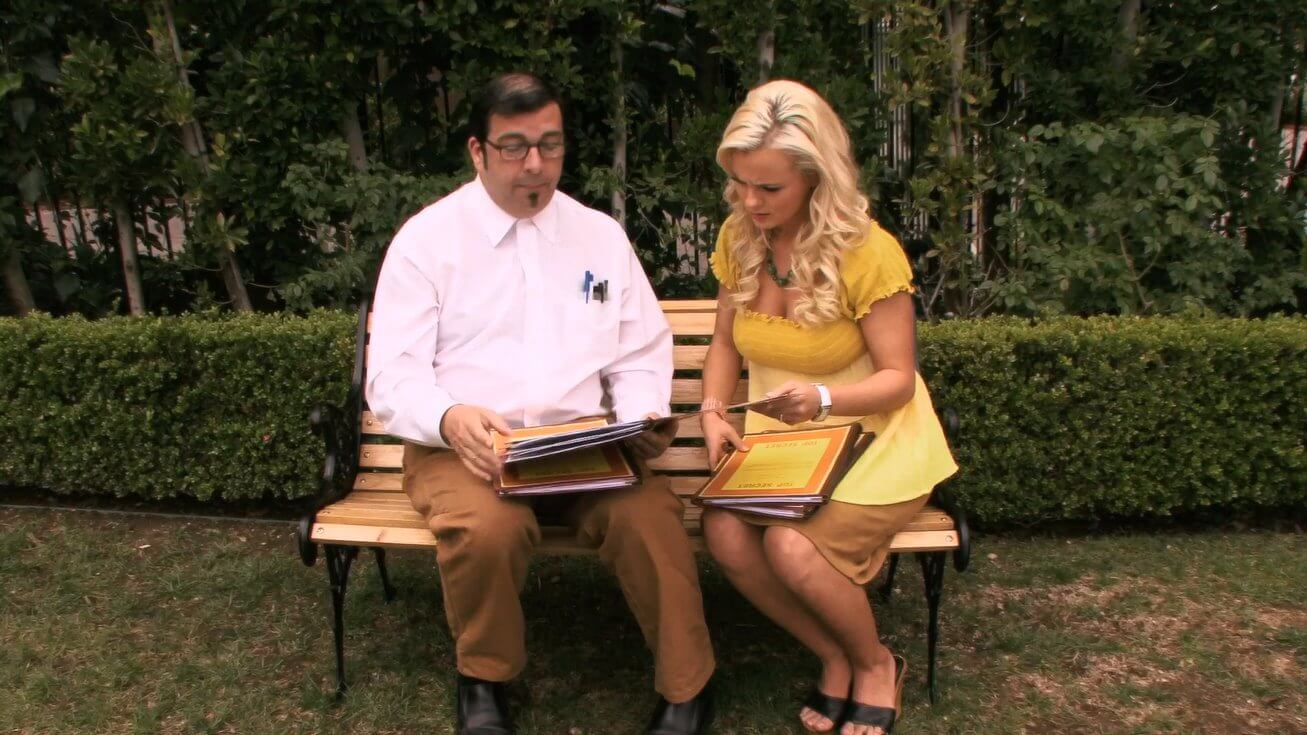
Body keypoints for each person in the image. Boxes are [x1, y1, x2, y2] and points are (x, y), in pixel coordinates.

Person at [366, 72, 715, 735]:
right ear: (477, 150)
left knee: (649, 519)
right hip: (466, 449)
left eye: (550, 145)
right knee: (486, 529)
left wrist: (638, 417)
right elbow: (391, 376)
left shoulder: (598, 236)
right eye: (514, 146)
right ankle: (485, 681)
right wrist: (448, 417)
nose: (535, 163)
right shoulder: (426, 241)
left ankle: (687, 688)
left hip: (581, 446)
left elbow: (639, 350)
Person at [697, 80, 958, 735]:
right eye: (740, 183)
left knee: (790, 546)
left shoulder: (867, 251)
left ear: (816, 176)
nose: (750, 202)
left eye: (769, 187)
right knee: (724, 531)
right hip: (787, 448)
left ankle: (874, 664)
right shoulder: (740, 237)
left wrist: (820, 398)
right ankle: (831, 653)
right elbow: (724, 343)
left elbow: (898, 380)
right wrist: (712, 412)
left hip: (877, 441)